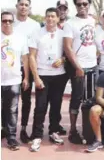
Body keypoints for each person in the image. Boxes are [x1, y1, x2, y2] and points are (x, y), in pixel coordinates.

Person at [28, 8, 67, 152]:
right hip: (42, 75)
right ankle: (37, 135)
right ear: (45, 18)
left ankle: (54, 131)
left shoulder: (63, 34)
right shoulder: (37, 33)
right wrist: (36, 77)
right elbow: (32, 56)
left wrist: (62, 59)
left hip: (59, 75)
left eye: (53, 16)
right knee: (40, 106)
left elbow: (69, 52)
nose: (50, 19)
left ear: (58, 18)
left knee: (56, 106)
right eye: (48, 16)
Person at [63, 0, 97, 144]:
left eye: (85, 4)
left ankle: (89, 130)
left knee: (90, 100)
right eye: (79, 4)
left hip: (93, 67)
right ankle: (73, 130)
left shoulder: (93, 20)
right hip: (78, 68)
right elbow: (68, 47)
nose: (82, 6)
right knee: (76, 98)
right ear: (75, 6)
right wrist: (77, 67)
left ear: (89, 5)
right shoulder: (70, 23)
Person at [13, 0, 41, 143]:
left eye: (26, 5)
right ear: (16, 6)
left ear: (29, 8)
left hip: (26, 68)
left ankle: (23, 128)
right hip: (10, 66)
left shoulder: (35, 25)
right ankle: (6, 128)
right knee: (7, 100)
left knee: (26, 100)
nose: (23, 7)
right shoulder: (9, 22)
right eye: (21, 4)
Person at [1, 11, 29, 151]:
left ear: (13, 22)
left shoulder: (20, 38)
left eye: (9, 21)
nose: (7, 23)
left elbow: (25, 59)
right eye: (4, 20)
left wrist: (26, 77)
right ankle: (3, 130)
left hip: (14, 80)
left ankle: (11, 137)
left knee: (12, 110)